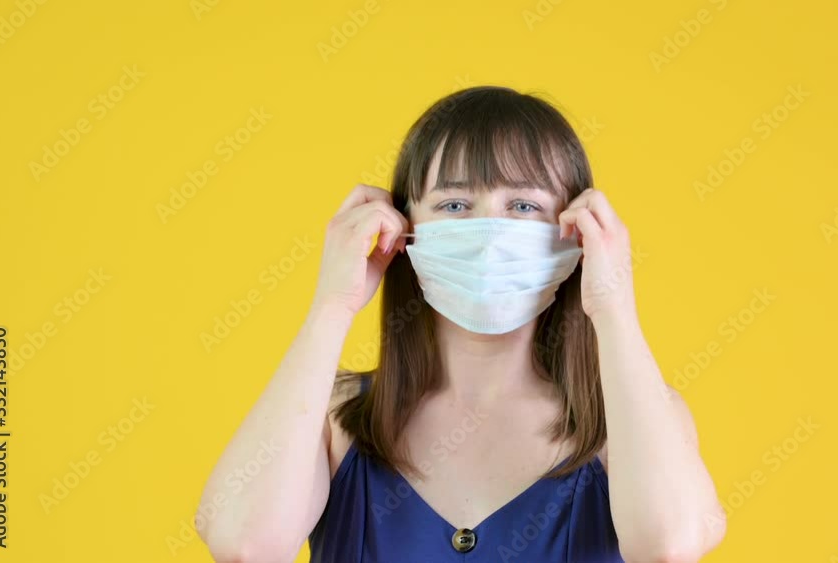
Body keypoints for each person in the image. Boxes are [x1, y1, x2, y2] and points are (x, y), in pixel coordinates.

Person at [196, 86, 726, 563]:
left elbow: (669, 545)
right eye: (454, 203)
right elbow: (245, 544)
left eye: (523, 204)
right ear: (406, 230)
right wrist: (332, 305)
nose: (488, 232)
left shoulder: (637, 422)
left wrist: (613, 308)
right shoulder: (336, 417)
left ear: (576, 231)